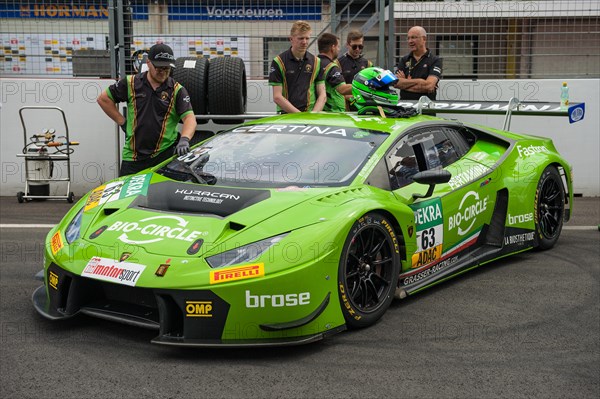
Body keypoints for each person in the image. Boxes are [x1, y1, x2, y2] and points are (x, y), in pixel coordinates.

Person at [97, 43, 197, 176]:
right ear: (149, 63)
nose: (163, 72)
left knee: (162, 196)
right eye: (159, 68)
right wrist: (122, 122)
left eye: (167, 69)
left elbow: (189, 118)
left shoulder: (177, 90)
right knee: (127, 195)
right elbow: (103, 99)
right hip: (133, 157)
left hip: (164, 156)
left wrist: (184, 139)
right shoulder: (130, 83)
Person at [268, 20, 326, 113]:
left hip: (310, 115)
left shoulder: (316, 62)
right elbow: (277, 97)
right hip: (286, 116)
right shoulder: (278, 61)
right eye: (301, 38)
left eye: (307, 38)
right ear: (291, 39)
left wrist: (313, 115)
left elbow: (322, 95)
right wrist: (299, 116)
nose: (304, 42)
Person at [394, 26, 442, 101]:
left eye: (413, 37)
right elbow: (396, 83)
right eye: (408, 38)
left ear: (424, 39)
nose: (410, 41)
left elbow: (429, 85)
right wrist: (421, 82)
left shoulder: (435, 60)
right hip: (405, 108)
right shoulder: (404, 60)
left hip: (426, 108)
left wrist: (405, 83)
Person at [317, 33, 353, 112]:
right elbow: (342, 89)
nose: (339, 49)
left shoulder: (315, 63)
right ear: (333, 48)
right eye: (338, 46)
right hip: (333, 113)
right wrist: (363, 87)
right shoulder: (331, 67)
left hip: (319, 111)